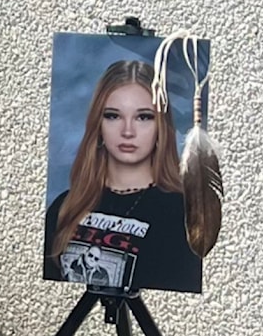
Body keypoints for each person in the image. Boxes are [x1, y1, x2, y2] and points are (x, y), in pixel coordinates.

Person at [43, 60, 202, 293]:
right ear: (98, 125)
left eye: (144, 117)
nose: (128, 131)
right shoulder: (64, 208)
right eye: (113, 116)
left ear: (162, 127)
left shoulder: (183, 214)